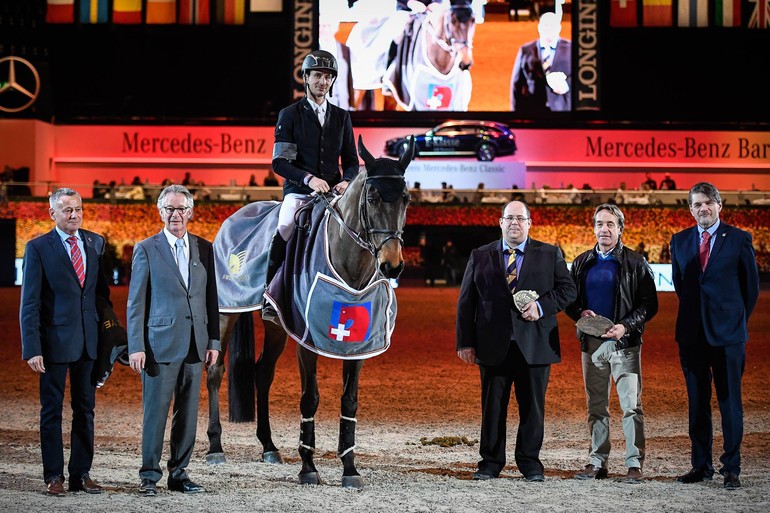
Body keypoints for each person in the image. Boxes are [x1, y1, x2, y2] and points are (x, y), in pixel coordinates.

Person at [456, 200, 576, 481]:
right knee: (492, 407)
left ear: (530, 223)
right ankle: (490, 462)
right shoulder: (480, 255)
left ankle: (530, 463)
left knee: (533, 408)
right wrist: (465, 341)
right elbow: (466, 301)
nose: (514, 224)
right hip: (492, 345)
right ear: (500, 222)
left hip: (535, 345)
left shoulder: (549, 253)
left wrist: (542, 307)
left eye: (520, 219)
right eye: (509, 218)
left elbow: (568, 290)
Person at [127, 184, 221, 496]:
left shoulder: (205, 249)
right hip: (159, 345)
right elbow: (135, 303)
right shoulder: (146, 249)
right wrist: (136, 346)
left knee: (188, 414)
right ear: (160, 212)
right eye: (169, 208)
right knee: (155, 413)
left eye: (181, 208)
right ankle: (149, 476)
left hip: (196, 344)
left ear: (191, 212)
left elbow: (211, 299)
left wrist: (214, 342)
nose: (175, 214)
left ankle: (179, 474)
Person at [19, 187, 111, 496]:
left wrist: (110, 340)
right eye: (67, 210)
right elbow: (29, 302)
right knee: (52, 411)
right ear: (52, 214)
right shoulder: (38, 248)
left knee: (86, 410)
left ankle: (81, 474)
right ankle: (54, 476)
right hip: (53, 344)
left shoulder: (96, 243)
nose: (74, 214)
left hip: (88, 343)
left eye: (78, 209)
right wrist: (32, 347)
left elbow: (101, 298)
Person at [670, 182, 759, 490]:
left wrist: (733, 321)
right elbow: (682, 286)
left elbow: (751, 289)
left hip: (728, 336)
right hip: (692, 334)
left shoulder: (738, 239)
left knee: (729, 401)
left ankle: (731, 467)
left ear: (720, 205)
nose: (703, 208)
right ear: (690, 209)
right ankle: (700, 465)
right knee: (697, 403)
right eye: (697, 204)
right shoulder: (679, 241)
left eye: (708, 202)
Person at [565, 204, 658, 483]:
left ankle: (634, 464)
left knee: (631, 406)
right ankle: (597, 461)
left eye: (610, 224)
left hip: (625, 344)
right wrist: (579, 312)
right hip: (592, 345)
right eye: (599, 224)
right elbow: (570, 300)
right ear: (593, 228)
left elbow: (649, 306)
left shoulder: (636, 262)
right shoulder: (581, 262)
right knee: (596, 406)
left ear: (620, 229)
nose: (604, 229)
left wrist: (625, 326)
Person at [266, 49, 359, 319]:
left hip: (333, 195)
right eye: (318, 75)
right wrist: (308, 179)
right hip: (299, 192)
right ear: (306, 78)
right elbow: (280, 162)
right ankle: (270, 295)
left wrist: (346, 181)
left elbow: (352, 161)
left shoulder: (342, 117)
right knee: (284, 227)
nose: (323, 81)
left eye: (328, 77)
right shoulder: (290, 114)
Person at [510, 11, 571, 113]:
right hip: (533, 111)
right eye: (545, 26)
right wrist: (515, 114)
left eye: (552, 26)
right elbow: (516, 85)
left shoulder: (571, 49)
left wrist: (566, 87)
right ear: (539, 28)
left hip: (563, 111)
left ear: (559, 28)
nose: (549, 29)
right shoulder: (525, 50)